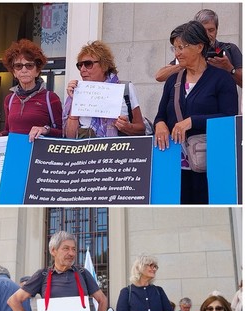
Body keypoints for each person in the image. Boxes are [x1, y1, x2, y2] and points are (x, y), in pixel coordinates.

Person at [153, 21, 238, 204]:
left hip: (209, 163)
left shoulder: (221, 79)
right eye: (174, 48)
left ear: (199, 46)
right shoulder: (173, 81)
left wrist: (193, 121)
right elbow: (160, 115)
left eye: (182, 47)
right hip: (175, 167)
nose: (177, 53)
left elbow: (229, 118)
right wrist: (159, 125)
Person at [9, 231, 108, 311]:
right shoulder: (43, 275)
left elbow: (102, 300)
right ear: (53, 251)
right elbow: (14, 301)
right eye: (66, 248)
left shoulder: (83, 273)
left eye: (74, 249)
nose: (72, 253)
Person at [0, 39, 63, 144]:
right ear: (14, 72)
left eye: (29, 66)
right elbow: (8, 131)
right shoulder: (9, 100)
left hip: (39, 157)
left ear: (37, 71)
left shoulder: (50, 98)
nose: (24, 70)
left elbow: (62, 133)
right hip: (16, 154)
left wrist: (45, 130)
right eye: (18, 66)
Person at [63, 41, 147, 138]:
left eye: (88, 64)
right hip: (86, 151)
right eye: (80, 65)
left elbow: (141, 128)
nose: (82, 69)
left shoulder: (125, 88)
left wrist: (126, 127)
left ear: (104, 65)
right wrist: (75, 101)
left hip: (117, 151)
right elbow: (70, 137)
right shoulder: (77, 91)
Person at [155, 9, 242, 87]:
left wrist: (229, 68)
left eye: (211, 30)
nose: (207, 34)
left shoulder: (229, 49)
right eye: (203, 31)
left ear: (217, 30)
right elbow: (159, 76)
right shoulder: (189, 51)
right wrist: (185, 64)